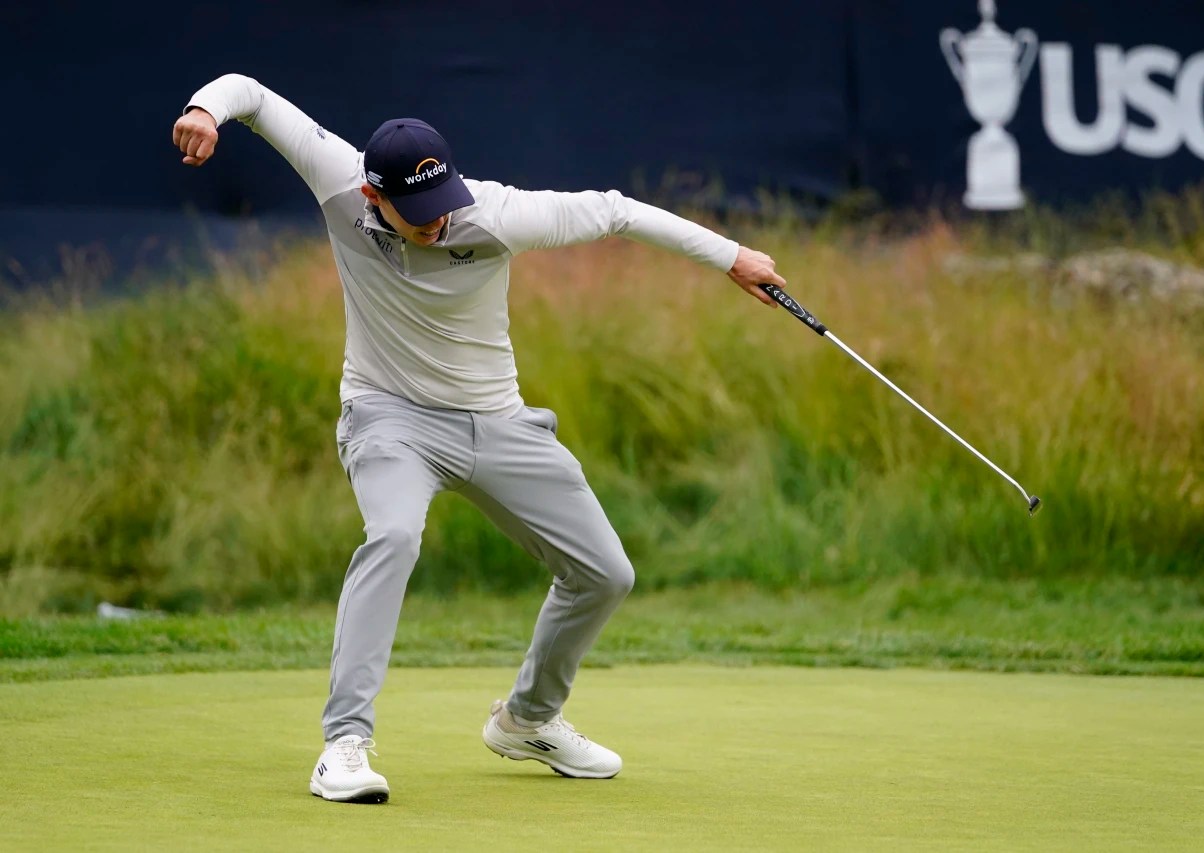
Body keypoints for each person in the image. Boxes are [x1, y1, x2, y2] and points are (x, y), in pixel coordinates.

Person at [172, 74, 787, 804]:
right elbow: (252, 95)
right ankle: (344, 743)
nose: (437, 221)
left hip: (498, 423)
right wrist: (207, 109)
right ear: (372, 196)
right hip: (390, 418)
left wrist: (731, 256)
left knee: (605, 573)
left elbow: (616, 211)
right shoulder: (338, 179)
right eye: (418, 211)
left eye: (442, 202)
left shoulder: (495, 213)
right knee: (393, 536)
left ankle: (528, 720)